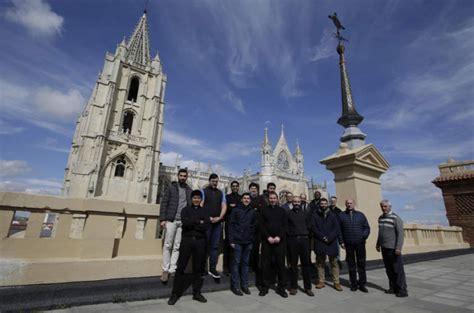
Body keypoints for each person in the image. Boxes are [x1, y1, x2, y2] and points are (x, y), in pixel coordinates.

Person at [168, 190, 210, 305]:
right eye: (194, 198)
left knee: (198, 269)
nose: (196, 200)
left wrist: (194, 223)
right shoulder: (185, 210)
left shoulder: (205, 211)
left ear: (201, 199)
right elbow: (185, 224)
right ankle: (175, 294)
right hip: (187, 241)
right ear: (191, 199)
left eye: (198, 198)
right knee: (180, 267)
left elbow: (206, 226)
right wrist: (198, 221)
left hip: (200, 241)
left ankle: (196, 293)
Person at [159, 168, 192, 283]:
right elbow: (164, 203)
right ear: (178, 176)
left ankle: (173, 269)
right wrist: (163, 219)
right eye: (181, 175)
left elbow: (190, 207)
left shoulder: (189, 190)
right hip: (171, 220)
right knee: (168, 245)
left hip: (182, 222)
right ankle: (165, 270)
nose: (183, 177)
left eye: (184, 176)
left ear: (187, 177)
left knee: (177, 246)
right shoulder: (172, 188)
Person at [259, 191, 288, 298]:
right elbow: (261, 226)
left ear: (277, 199)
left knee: (281, 265)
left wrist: (278, 237)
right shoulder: (263, 211)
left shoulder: (282, 211)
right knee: (266, 265)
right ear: (268, 199)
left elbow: (285, 226)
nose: (272, 200)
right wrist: (268, 237)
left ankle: (281, 288)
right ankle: (265, 287)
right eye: (270, 198)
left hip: (279, 242)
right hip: (267, 242)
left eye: (274, 198)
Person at [376, 200, 408, 297]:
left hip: (393, 248)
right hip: (384, 248)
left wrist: (398, 248)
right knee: (389, 269)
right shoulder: (380, 218)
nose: (383, 208)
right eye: (382, 206)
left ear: (390, 207)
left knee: (397, 269)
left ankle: (402, 290)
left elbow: (400, 234)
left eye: (385, 206)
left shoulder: (396, 218)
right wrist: (378, 244)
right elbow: (380, 232)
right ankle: (393, 288)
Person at [339, 199, 370, 292]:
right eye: (347, 203)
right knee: (351, 265)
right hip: (348, 243)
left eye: (351, 203)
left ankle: (362, 284)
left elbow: (367, 227)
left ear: (354, 204)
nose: (349, 205)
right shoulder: (341, 215)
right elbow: (339, 230)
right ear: (345, 204)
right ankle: (353, 284)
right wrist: (341, 241)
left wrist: (363, 237)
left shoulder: (360, 215)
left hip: (360, 243)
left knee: (361, 264)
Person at [228, 193, 257, 296]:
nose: (246, 200)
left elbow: (254, 227)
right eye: (244, 198)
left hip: (248, 241)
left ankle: (245, 285)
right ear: (241, 200)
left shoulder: (253, 212)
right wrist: (231, 240)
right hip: (237, 241)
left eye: (248, 198)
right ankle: (235, 286)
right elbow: (231, 225)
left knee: (245, 264)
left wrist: (252, 240)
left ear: (250, 200)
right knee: (236, 264)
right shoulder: (236, 210)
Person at [311, 198, 342, 291]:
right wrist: (323, 237)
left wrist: (329, 238)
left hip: (331, 242)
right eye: (322, 203)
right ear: (319, 204)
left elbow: (336, 228)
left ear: (327, 204)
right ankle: (321, 281)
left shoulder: (332, 215)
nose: (323, 205)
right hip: (320, 241)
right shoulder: (315, 215)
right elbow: (313, 228)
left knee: (334, 263)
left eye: (325, 203)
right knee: (320, 263)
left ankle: (336, 282)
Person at [287, 196, 314, 296]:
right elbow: (286, 227)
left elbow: (310, 226)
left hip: (304, 241)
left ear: (301, 202)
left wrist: (305, 235)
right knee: (293, 265)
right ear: (292, 203)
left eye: (298, 201)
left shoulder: (306, 213)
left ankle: (308, 288)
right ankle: (293, 287)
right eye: (295, 201)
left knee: (306, 265)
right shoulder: (288, 214)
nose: (297, 203)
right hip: (293, 241)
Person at [201, 173, 227, 279]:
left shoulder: (221, 193)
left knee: (214, 246)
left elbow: (224, 206)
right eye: (213, 181)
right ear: (209, 181)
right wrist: (208, 218)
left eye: (216, 181)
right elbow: (201, 205)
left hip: (217, 223)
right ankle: (202, 269)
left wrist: (220, 218)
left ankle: (212, 268)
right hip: (207, 222)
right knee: (204, 245)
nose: (215, 183)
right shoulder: (204, 191)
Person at [224, 181, 241, 275]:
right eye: (233, 186)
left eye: (236, 186)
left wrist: (233, 207)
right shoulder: (227, 197)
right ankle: (226, 268)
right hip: (229, 223)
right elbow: (226, 208)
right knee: (228, 245)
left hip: (238, 225)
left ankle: (235, 268)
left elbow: (239, 209)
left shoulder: (240, 198)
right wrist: (233, 207)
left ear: (238, 187)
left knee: (237, 246)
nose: (235, 187)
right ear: (231, 187)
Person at [329, 196, 343, 269]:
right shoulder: (327, 209)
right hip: (328, 231)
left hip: (336, 231)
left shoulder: (339, 211)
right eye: (331, 201)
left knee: (337, 246)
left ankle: (338, 260)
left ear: (336, 201)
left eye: (334, 201)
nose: (332, 202)